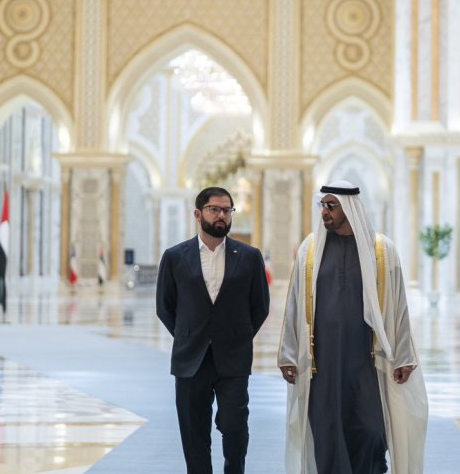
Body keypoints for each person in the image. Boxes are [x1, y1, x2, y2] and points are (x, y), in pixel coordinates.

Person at [278, 181, 428, 474]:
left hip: (367, 363)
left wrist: (404, 355)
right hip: (323, 364)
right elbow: (294, 304)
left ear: (349, 207)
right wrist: (288, 354)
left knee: (371, 430)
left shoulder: (382, 250)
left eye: (331, 206)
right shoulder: (310, 249)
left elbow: (398, 308)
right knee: (326, 434)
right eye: (322, 205)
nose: (325, 212)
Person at [157, 186, 270, 474]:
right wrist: (189, 335)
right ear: (198, 214)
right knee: (194, 434)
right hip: (190, 360)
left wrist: (236, 337)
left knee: (235, 427)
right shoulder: (175, 257)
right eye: (215, 209)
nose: (221, 215)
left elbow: (260, 307)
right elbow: (165, 307)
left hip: (233, 359)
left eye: (227, 210)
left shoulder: (249, 256)